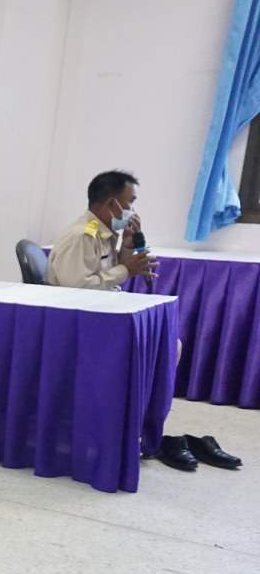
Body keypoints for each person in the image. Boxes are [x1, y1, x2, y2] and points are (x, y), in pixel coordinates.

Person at [48, 170, 242, 474]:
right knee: (163, 349)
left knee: (169, 345)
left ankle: (138, 422)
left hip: (99, 316)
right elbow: (77, 288)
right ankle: (130, 423)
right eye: (129, 203)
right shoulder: (82, 236)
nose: (132, 211)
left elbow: (101, 277)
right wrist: (125, 269)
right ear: (111, 204)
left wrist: (127, 247)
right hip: (80, 325)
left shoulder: (101, 232)